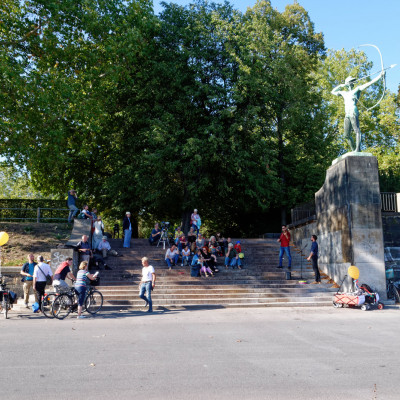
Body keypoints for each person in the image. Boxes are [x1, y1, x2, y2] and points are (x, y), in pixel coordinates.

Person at [331, 71, 385, 153]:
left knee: (357, 130)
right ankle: (354, 150)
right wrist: (341, 85)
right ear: (347, 83)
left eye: (353, 81)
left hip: (353, 111)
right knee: (346, 135)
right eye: (351, 81)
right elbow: (332, 92)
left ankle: (357, 149)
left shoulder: (356, 89)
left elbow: (369, 83)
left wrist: (380, 76)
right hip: (347, 114)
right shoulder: (344, 93)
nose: (353, 82)